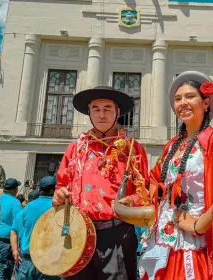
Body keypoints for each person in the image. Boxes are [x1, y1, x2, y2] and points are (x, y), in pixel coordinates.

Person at [139, 71, 213, 280]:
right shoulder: (171, 146)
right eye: (178, 99)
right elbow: (153, 181)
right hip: (163, 241)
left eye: (189, 97)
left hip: (198, 244)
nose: (183, 103)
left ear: (206, 103)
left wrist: (200, 223)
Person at [53, 86, 150, 280]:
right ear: (89, 113)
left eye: (107, 109)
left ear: (118, 112)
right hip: (77, 233)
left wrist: (133, 200)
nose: (101, 115)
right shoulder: (75, 148)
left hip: (116, 234)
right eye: (95, 109)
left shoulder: (132, 149)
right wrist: (59, 195)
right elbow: (60, 186)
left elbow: (146, 191)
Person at [15, 176, 59, 280]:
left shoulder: (28, 206)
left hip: (28, 261)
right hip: (49, 262)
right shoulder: (58, 207)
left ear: (39, 190)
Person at [0, 178, 23, 280]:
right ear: (15, 190)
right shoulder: (15, 202)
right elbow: (18, 224)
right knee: (3, 272)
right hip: (5, 241)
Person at [10, 189, 40, 279]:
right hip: (38, 256)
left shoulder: (20, 213)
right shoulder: (40, 214)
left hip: (23, 255)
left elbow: (13, 231)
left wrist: (15, 250)